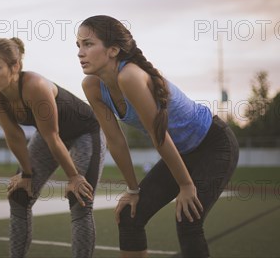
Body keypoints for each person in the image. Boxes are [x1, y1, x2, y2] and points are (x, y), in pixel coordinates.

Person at [76, 15, 239, 258]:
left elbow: (158, 135)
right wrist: (132, 190)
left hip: (214, 144)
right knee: (130, 216)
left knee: (188, 220)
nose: (80, 52)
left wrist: (186, 185)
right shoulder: (91, 86)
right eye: (78, 45)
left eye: (88, 44)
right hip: (180, 152)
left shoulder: (129, 76)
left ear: (113, 50)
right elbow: (116, 141)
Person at [0, 37, 106, 258]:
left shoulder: (34, 86)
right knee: (19, 195)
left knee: (80, 199)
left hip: (86, 132)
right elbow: (14, 134)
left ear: (15, 66)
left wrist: (74, 177)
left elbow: (53, 135)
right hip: (50, 137)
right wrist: (26, 174)